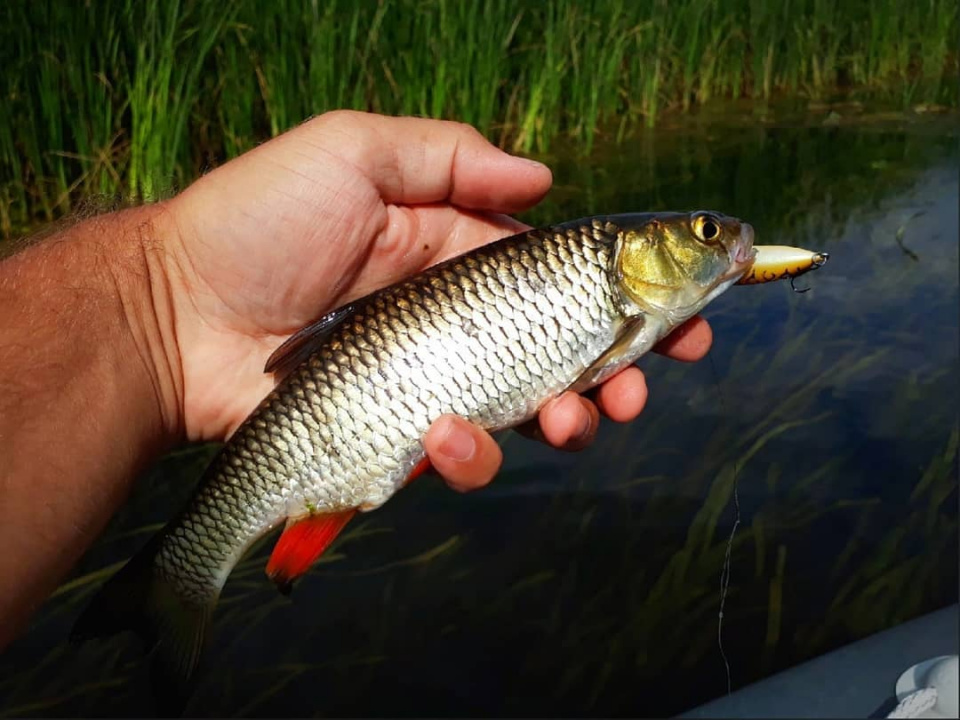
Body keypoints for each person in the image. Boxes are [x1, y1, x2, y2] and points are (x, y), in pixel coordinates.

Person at [0, 110, 712, 649]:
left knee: (529, 425)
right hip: (347, 398)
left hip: (358, 397)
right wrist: (164, 291)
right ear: (640, 251)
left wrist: (163, 298)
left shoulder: (620, 293)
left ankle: (196, 569)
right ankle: (181, 573)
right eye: (706, 235)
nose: (722, 241)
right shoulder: (610, 274)